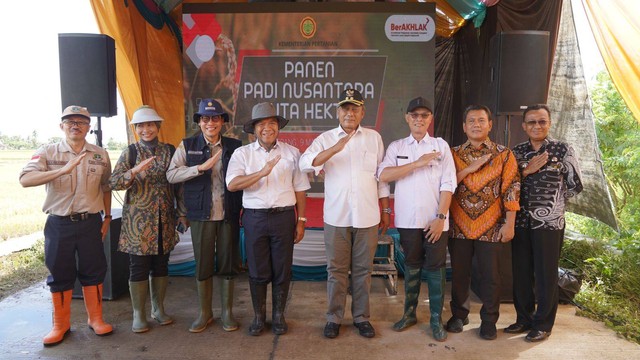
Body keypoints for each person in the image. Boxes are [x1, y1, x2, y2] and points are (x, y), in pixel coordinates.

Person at [299, 88, 390, 339]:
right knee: (336, 271)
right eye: (345, 108)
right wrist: (335, 148)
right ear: (338, 111)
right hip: (337, 217)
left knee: (363, 271)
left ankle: (361, 318)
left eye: (355, 108)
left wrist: (385, 209)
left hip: (368, 216)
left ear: (362, 112)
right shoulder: (326, 138)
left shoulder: (374, 138)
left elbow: (381, 178)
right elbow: (305, 163)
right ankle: (334, 317)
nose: (350, 113)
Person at [19, 105, 113, 346]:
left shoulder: (100, 154)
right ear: (61, 126)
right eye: (70, 121)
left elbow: (106, 187)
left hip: (90, 222)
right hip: (59, 223)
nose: (75, 125)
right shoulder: (48, 152)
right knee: (60, 273)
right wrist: (63, 169)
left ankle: (96, 319)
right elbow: (25, 179)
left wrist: (107, 217)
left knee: (94, 270)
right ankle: (60, 325)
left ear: (88, 127)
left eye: (81, 122)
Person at [226, 102, 310, 336]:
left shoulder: (292, 153)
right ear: (254, 129)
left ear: (278, 127)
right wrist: (261, 173)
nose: (267, 128)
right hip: (255, 218)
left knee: (283, 269)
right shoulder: (242, 154)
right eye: (261, 124)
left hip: (284, 218)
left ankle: (279, 316)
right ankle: (258, 317)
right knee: (257, 269)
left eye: (271, 123)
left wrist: (301, 220)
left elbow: (301, 188)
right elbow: (232, 184)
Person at [377, 97, 456, 341]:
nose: (419, 119)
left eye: (424, 115)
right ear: (407, 118)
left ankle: (435, 319)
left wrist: (440, 217)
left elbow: (448, 183)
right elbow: (384, 175)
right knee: (411, 267)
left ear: (430, 119)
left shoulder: (441, 146)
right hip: (408, 221)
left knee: (435, 269)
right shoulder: (397, 147)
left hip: (436, 221)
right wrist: (417, 163)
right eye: (414, 115)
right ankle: (409, 314)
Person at [505, 104, 583, 342]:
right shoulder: (515, 152)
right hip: (520, 223)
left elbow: (574, 186)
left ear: (549, 123)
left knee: (546, 274)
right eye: (531, 122)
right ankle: (523, 319)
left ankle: (543, 324)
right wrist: (526, 171)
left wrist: (553, 207)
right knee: (521, 272)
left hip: (550, 225)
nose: (536, 126)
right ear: (523, 126)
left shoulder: (563, 150)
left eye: (541, 121)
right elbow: (507, 185)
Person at [166, 98, 243, 333]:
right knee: (203, 265)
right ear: (199, 122)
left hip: (228, 214)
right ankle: (205, 313)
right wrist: (199, 168)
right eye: (205, 118)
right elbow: (171, 175)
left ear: (222, 122)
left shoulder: (235, 146)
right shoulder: (187, 145)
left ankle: (227, 313)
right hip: (200, 215)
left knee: (229, 264)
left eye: (215, 118)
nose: (211, 123)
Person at [109, 105, 186, 333]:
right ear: (135, 129)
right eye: (141, 125)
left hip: (164, 219)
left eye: (150, 124)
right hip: (138, 222)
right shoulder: (130, 152)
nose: (146, 129)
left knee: (161, 265)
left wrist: (182, 212)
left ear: (158, 126)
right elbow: (113, 183)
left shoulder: (169, 150)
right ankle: (139, 314)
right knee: (139, 267)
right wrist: (133, 171)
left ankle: (158, 309)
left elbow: (178, 185)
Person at [446, 104, 520, 340]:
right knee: (459, 274)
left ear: (490, 124)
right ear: (464, 126)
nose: (476, 125)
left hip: (492, 226)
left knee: (491, 276)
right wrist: (469, 169)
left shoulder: (504, 154)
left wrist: (510, 223)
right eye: (471, 121)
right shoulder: (452, 153)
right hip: (458, 225)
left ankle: (489, 320)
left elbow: (511, 189)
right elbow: (445, 185)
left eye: (481, 120)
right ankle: (459, 315)